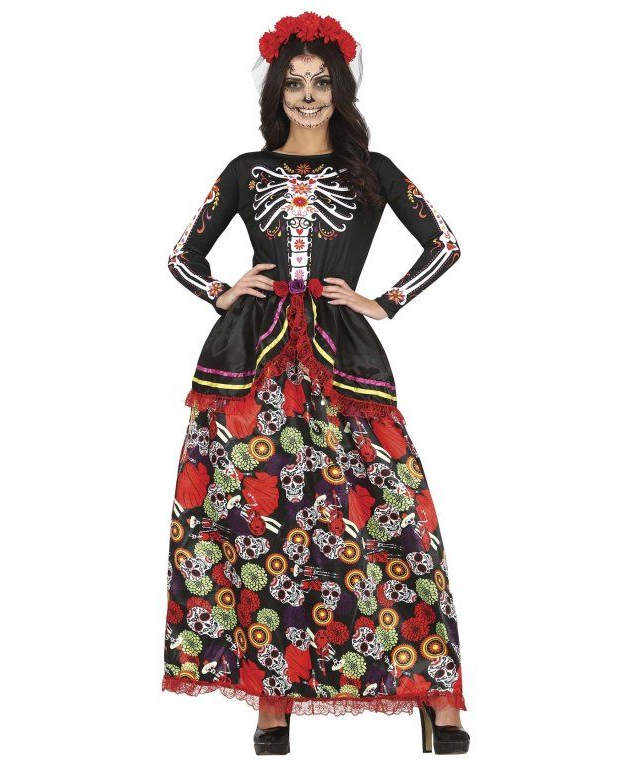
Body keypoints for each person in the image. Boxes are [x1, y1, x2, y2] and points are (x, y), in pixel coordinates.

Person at [161, 12, 470, 755]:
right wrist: (220, 290)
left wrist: (385, 300)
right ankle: (273, 697)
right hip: (251, 366)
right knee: (258, 521)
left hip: (343, 359)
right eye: (294, 82)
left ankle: (439, 694)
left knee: (398, 517)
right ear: (276, 90)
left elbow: (445, 242)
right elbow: (180, 256)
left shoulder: (372, 170)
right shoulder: (246, 170)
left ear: (341, 91)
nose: (307, 95)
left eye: (321, 82)